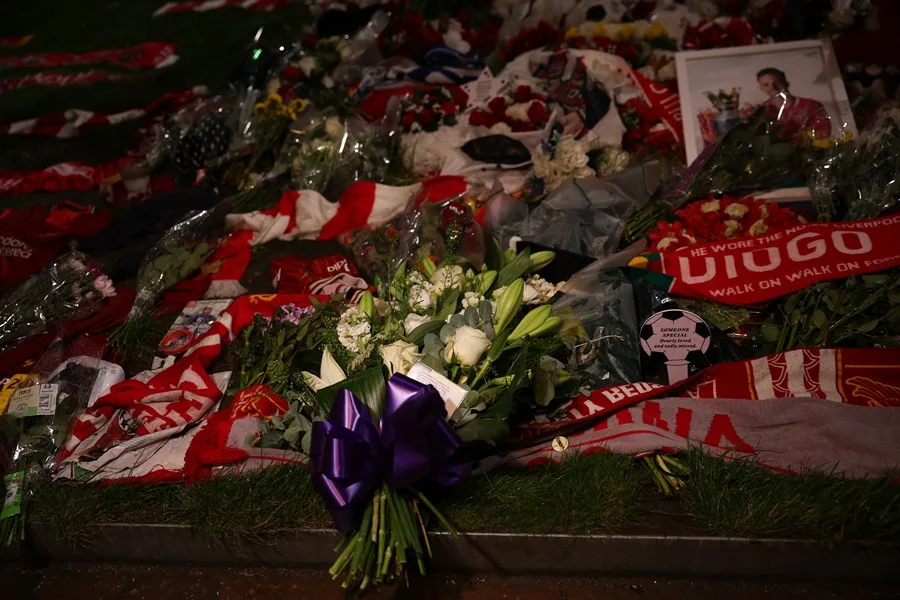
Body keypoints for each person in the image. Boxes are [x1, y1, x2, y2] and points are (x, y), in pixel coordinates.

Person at [756, 67, 832, 138]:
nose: (772, 88)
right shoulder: (761, 111)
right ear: (761, 88)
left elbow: (823, 133)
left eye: (777, 83)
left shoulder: (811, 105)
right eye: (766, 85)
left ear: (786, 83)